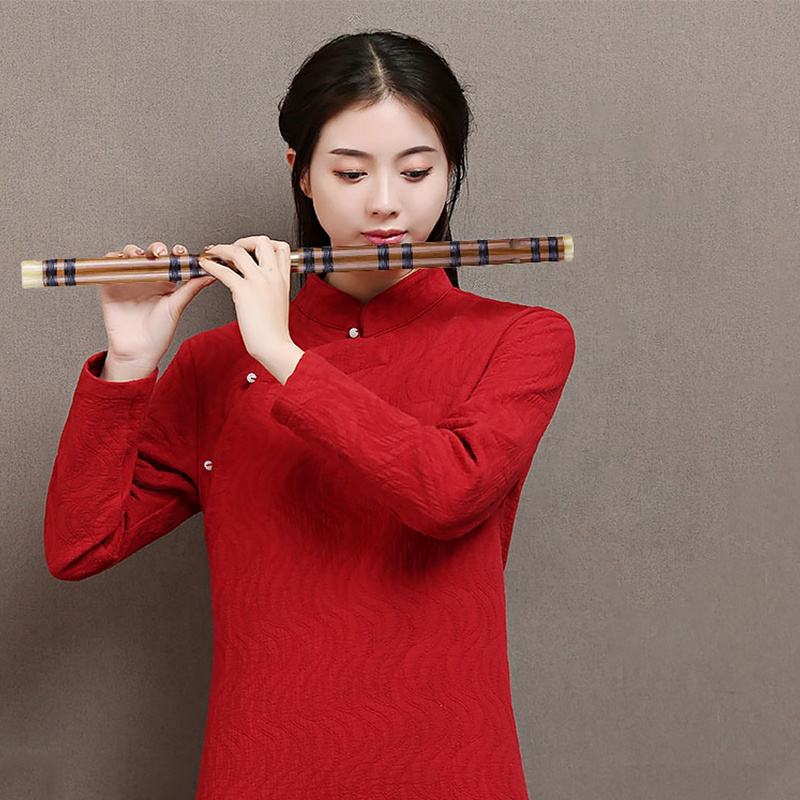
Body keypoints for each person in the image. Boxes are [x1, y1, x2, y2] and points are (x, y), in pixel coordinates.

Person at [44, 30, 576, 800]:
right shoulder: (215, 365)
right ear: (301, 173)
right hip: (263, 769)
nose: (386, 201)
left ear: (452, 171)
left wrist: (282, 353)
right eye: (350, 172)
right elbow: (80, 544)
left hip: (448, 767)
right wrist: (129, 362)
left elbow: (447, 494)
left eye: (417, 171)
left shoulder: (521, 339)